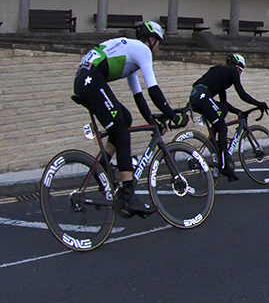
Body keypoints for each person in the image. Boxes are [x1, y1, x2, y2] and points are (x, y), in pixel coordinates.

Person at [74, 20, 187, 217]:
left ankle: (102, 165)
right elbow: (154, 90)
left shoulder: (130, 55)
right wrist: (172, 115)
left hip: (86, 79)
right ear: (151, 40)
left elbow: (139, 97)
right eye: (159, 42)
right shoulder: (143, 51)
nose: (159, 48)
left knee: (124, 118)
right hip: (90, 79)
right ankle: (128, 195)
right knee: (121, 130)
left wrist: (152, 122)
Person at [189, 53, 269, 182]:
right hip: (202, 96)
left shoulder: (221, 74)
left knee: (222, 110)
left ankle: (215, 144)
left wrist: (238, 112)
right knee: (222, 128)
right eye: (241, 71)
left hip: (196, 96)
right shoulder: (232, 72)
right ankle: (224, 165)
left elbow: (224, 103)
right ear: (238, 67)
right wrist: (258, 104)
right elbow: (242, 94)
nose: (239, 74)